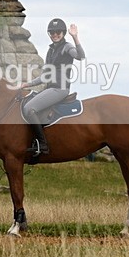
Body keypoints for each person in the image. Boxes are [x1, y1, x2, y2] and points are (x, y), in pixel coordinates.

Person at [18, 19, 86, 158]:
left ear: (63, 33)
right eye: (52, 32)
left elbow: (80, 56)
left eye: (58, 32)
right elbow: (45, 77)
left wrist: (75, 37)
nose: (55, 34)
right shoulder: (50, 50)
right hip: (50, 88)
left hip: (60, 89)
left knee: (29, 109)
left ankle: (43, 145)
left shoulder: (67, 47)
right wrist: (27, 84)